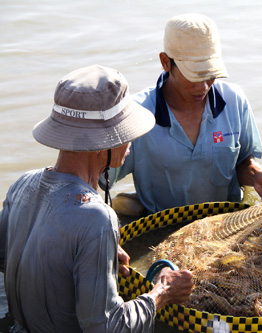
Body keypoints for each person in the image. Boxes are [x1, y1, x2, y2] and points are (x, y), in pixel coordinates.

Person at [0, 65, 194, 332]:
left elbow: (8, 261)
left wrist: (82, 254)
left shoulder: (21, 185)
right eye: (126, 133)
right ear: (104, 143)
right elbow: (107, 327)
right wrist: (162, 292)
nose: (131, 142)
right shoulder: (97, 218)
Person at [102, 13, 262, 216]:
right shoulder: (136, 115)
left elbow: (243, 162)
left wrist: (256, 175)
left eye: (209, 74)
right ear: (165, 62)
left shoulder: (234, 101)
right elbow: (96, 178)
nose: (204, 86)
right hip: (162, 227)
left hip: (224, 221)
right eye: (193, 75)